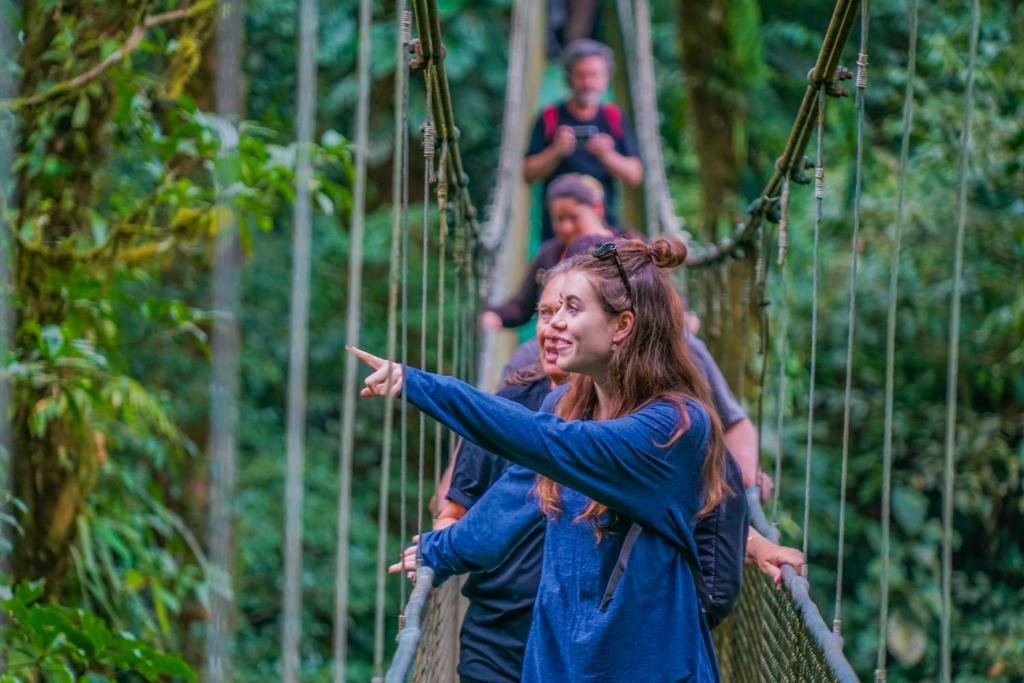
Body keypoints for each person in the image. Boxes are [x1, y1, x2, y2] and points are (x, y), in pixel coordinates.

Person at [354, 237, 723, 681]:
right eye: (550, 312)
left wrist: (423, 386)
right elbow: (508, 508)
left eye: (572, 308)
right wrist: (441, 550)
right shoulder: (565, 405)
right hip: (558, 660)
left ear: (622, 325)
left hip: (644, 663)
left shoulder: (674, 427)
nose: (552, 326)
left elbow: (548, 441)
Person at [523, 39, 643, 241]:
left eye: (594, 75)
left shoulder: (614, 118)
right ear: (569, 78)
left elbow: (634, 175)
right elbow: (528, 172)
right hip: (558, 234)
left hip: (603, 230)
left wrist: (607, 155)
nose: (588, 82)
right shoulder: (549, 117)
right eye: (581, 75)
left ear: (606, 79)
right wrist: (555, 151)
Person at [481, 173, 631, 331]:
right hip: (557, 340)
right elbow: (522, 306)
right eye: (559, 219)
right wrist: (494, 315)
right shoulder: (550, 253)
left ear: (598, 209)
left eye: (574, 217)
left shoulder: (628, 247)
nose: (566, 227)